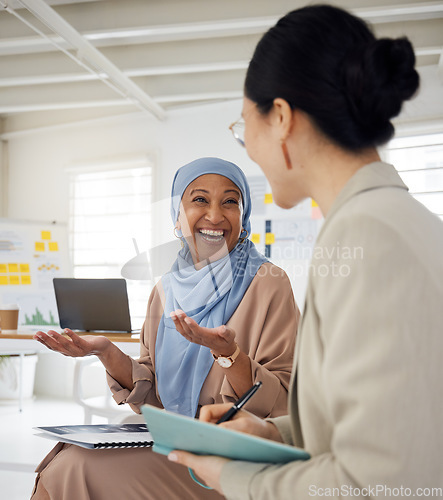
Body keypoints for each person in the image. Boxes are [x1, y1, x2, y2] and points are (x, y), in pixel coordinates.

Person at [168, 5, 443, 499]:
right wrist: (274, 433)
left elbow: (382, 482)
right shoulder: (393, 223)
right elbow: (379, 422)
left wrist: (232, 477)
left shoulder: (368, 240)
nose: (248, 147)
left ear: (280, 118)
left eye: (242, 127)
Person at [31, 157, 300, 499]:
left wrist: (227, 354)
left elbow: (284, 403)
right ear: (177, 217)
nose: (215, 215)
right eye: (200, 199)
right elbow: (152, 395)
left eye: (230, 201)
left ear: (244, 219)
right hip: (172, 441)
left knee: (75, 469)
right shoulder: (167, 287)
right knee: (67, 458)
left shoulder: (268, 283)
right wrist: (106, 351)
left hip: (234, 460)